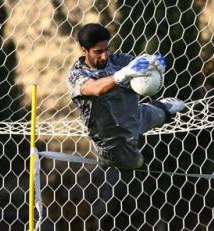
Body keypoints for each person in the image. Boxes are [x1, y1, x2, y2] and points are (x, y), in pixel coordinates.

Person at [67, 23, 185, 170]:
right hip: (112, 139)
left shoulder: (119, 61)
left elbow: (141, 66)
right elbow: (95, 88)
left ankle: (157, 108)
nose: (104, 56)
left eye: (106, 50)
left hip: (136, 116)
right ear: (84, 50)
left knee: (173, 111)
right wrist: (120, 75)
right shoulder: (77, 74)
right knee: (137, 164)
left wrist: (156, 65)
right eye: (98, 52)